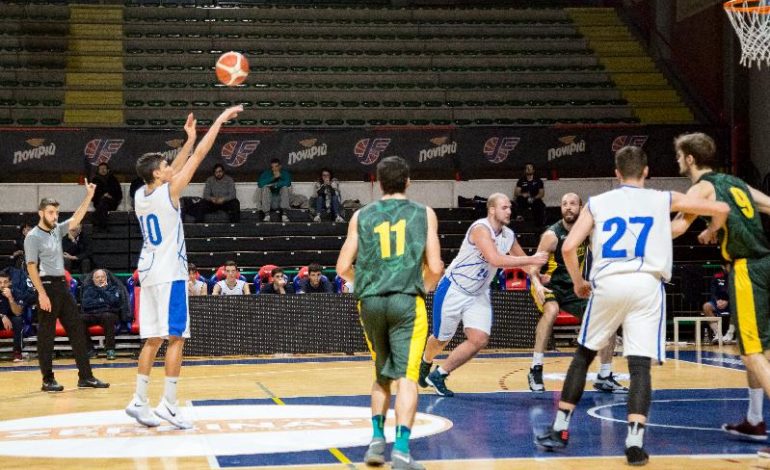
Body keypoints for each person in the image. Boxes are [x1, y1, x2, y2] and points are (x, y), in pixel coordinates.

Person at [536, 145, 729, 466]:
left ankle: (560, 430)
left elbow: (569, 247)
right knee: (639, 366)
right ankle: (635, 442)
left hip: (608, 282)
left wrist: (579, 283)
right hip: (647, 285)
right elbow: (720, 206)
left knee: (584, 355)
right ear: (646, 172)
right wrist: (710, 229)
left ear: (616, 173)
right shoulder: (662, 198)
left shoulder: (598, 203)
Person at [126, 106, 242, 429]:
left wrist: (187, 139)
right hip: (170, 275)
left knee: (152, 339)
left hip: (148, 273)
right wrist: (217, 122)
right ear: (158, 175)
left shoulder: (139, 194)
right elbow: (200, 157)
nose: (169, 166)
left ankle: (138, 399)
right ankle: (169, 405)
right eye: (164, 166)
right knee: (176, 338)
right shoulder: (171, 192)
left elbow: (176, 166)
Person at [336, 155, 444, 470]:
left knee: (381, 375)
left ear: (379, 182)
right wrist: (417, 285)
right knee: (407, 379)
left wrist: (366, 284)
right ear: (408, 182)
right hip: (406, 301)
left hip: (370, 302)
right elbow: (436, 268)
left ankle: (374, 442)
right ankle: (400, 450)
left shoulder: (361, 216)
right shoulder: (424, 214)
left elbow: (342, 267)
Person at [669, 132, 770, 449]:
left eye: (678, 156)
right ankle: (754, 420)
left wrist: (640, 228)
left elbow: (679, 227)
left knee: (752, 354)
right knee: (758, 349)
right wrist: (715, 227)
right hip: (764, 262)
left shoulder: (702, 188)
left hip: (746, 269)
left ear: (689, 158)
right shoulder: (736, 183)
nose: (677, 161)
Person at [418, 193, 548, 397]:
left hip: (478, 293)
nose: (509, 211)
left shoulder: (508, 235)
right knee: (441, 339)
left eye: (510, 208)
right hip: (454, 288)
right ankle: (426, 361)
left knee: (479, 339)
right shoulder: (480, 229)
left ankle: (440, 375)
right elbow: (495, 259)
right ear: (492, 210)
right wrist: (533, 259)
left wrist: (538, 278)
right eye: (504, 207)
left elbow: (524, 263)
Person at [527, 192, 627, 394]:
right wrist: (537, 284)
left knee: (606, 317)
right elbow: (532, 268)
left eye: (572, 203)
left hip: (575, 286)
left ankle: (605, 375)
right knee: (552, 310)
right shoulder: (551, 235)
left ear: (581, 208)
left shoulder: (587, 233)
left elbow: (602, 257)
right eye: (564, 204)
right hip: (550, 285)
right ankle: (535, 368)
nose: (568, 207)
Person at [25, 190, 111, 392]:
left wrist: (89, 196)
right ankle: (48, 380)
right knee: (46, 335)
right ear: (41, 213)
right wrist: (42, 294)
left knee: (78, 331)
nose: (54, 216)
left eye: (56, 212)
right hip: (46, 285)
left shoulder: (56, 229)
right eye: (50, 212)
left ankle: (86, 377)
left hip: (62, 286)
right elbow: (31, 267)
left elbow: (76, 218)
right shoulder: (32, 237)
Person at [80, 269, 122, 360]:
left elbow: (114, 302)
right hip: (92, 314)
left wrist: (102, 290)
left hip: (108, 314)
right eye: (97, 277)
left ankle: (110, 349)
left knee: (108, 317)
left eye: (102, 277)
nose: (100, 279)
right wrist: (103, 302)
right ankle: (90, 350)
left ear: (106, 278)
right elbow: (86, 304)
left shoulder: (113, 288)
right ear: (93, 279)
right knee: (79, 319)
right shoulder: (88, 289)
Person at [701, 263, 733, 344]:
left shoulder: (738, 276)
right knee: (706, 306)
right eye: (729, 265)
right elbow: (713, 292)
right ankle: (718, 334)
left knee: (739, 308)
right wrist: (717, 301)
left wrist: (727, 301)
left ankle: (729, 334)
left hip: (732, 302)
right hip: (718, 302)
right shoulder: (717, 276)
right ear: (723, 266)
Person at [0, 270, 24, 362]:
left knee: (18, 319)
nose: (2, 285)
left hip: (12, 319)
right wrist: (2, 316)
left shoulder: (17, 292)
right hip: (2, 318)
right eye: (0, 282)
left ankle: (17, 352)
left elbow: (18, 312)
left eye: (5, 282)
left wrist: (10, 298)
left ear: (10, 283)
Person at [258, 158, 291, 222]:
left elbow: (288, 183)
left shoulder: (285, 173)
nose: (274, 169)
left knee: (284, 188)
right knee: (265, 188)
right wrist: (273, 178)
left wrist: (276, 183)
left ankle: (284, 215)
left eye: (276, 166)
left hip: (281, 201)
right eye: (272, 167)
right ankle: (267, 215)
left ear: (280, 166)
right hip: (270, 202)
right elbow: (260, 184)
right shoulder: (266, 173)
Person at [91, 162, 123, 230]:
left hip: (112, 202)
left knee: (104, 202)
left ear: (108, 170)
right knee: (103, 203)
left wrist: (110, 196)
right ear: (98, 170)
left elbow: (119, 194)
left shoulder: (113, 179)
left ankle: (97, 222)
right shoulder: (94, 180)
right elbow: (92, 196)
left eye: (104, 168)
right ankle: (103, 227)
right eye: (101, 169)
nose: (103, 170)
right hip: (99, 202)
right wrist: (102, 196)